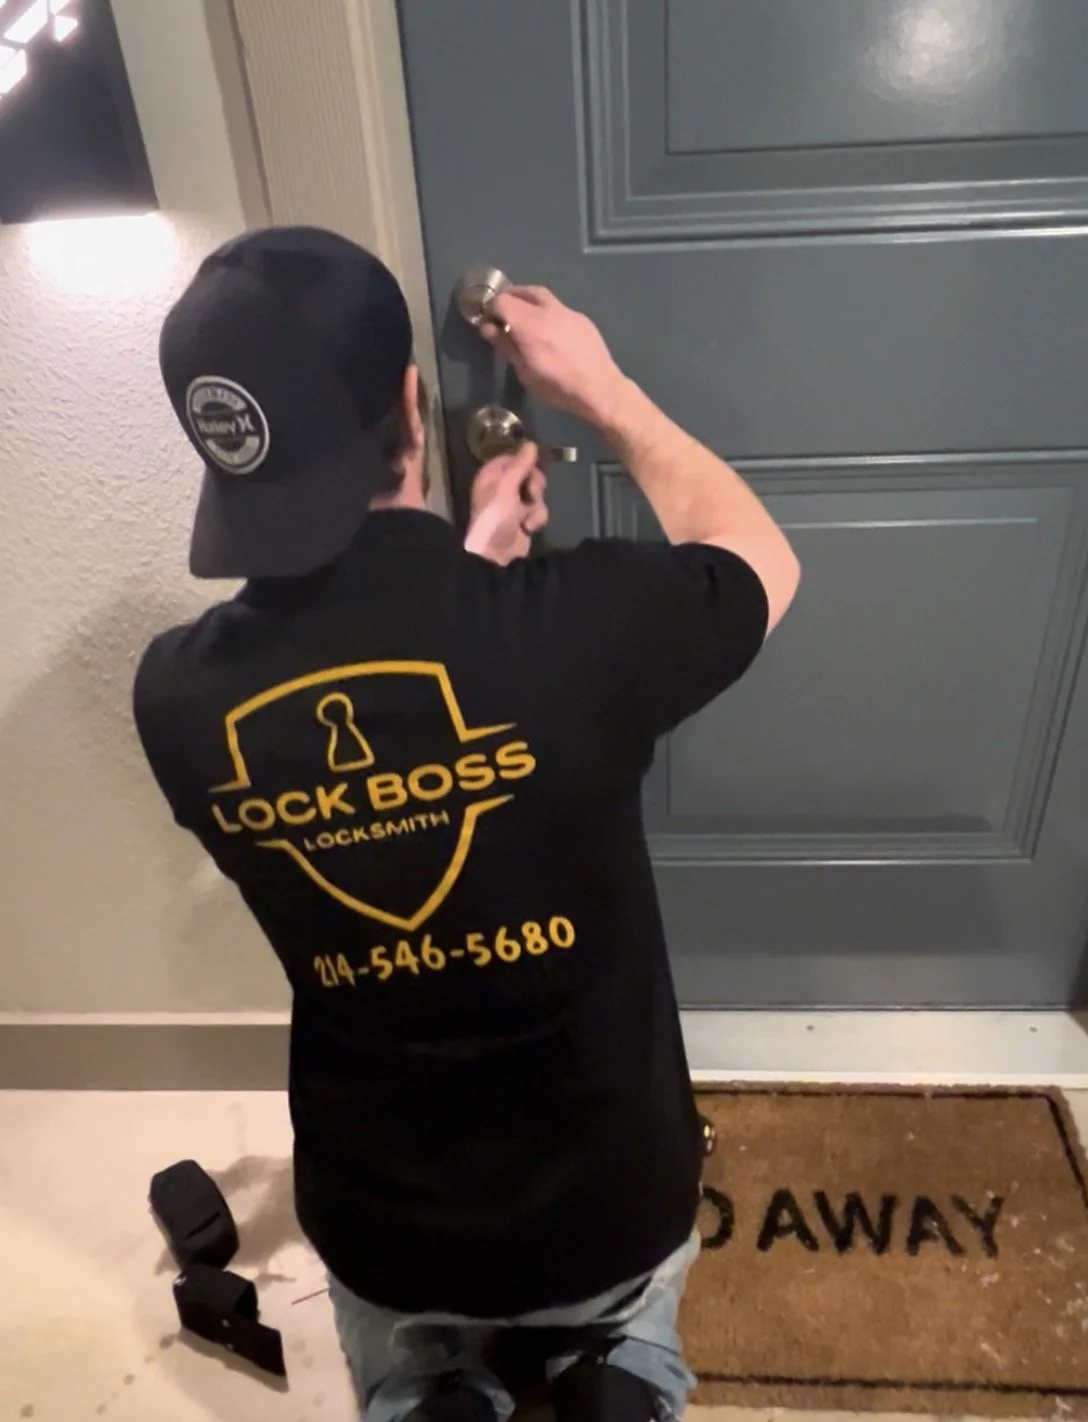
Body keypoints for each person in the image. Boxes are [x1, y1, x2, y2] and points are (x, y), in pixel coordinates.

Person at [133, 226, 800, 1422]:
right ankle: (618, 1378)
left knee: (407, 1366)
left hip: (391, 1228)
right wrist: (598, 388)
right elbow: (757, 559)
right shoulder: (566, 640)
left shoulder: (177, 698)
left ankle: (432, 1393)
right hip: (606, 1201)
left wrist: (470, 565)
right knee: (630, 1326)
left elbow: (384, 733)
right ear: (409, 398)